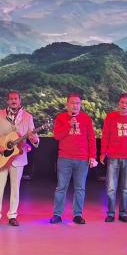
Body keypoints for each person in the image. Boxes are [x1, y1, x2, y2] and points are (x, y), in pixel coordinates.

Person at [0, 91, 40, 227]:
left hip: (18, 157)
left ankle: (12, 215)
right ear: (7, 101)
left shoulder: (27, 117)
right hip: (0, 155)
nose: (13, 101)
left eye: (16, 99)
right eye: (11, 99)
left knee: (15, 188)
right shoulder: (0, 114)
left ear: (20, 101)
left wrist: (33, 138)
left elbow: (35, 140)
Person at [51, 94, 97, 225]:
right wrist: (69, 125)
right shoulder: (61, 117)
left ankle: (78, 214)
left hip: (82, 159)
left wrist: (92, 156)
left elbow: (91, 138)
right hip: (65, 158)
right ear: (67, 104)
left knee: (80, 188)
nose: (75, 105)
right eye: (72, 103)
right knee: (61, 187)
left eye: (77, 103)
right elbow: (57, 136)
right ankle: (57, 214)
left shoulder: (86, 118)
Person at [100, 94, 127, 223]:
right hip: (113, 156)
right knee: (111, 187)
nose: (124, 105)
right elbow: (105, 136)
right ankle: (111, 213)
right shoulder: (111, 117)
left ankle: (123, 213)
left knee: (126, 188)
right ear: (118, 103)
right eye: (122, 102)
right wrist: (103, 152)